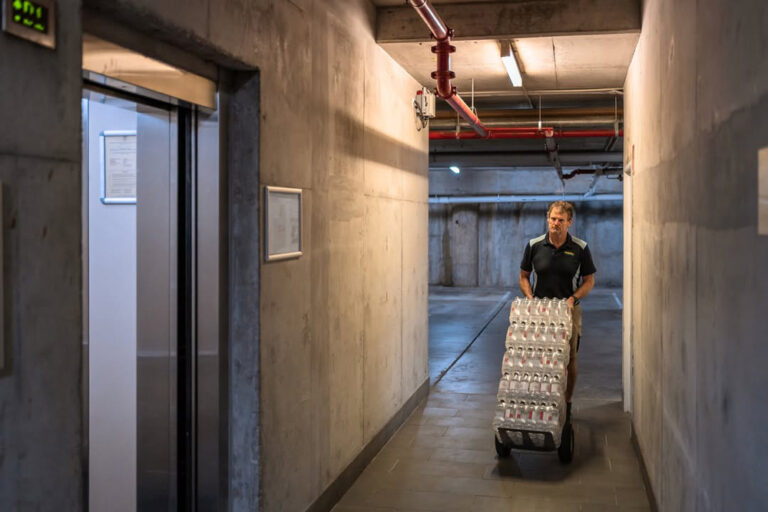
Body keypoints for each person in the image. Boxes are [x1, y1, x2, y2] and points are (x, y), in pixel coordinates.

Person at [519, 201, 596, 426]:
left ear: (569, 222)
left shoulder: (580, 248)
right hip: (539, 312)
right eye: (553, 219)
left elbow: (589, 280)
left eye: (561, 220)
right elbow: (524, 276)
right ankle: (539, 400)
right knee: (536, 359)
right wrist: (530, 299)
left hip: (568, 312)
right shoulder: (534, 245)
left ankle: (567, 401)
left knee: (569, 359)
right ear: (547, 218)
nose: (556, 223)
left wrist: (574, 299)